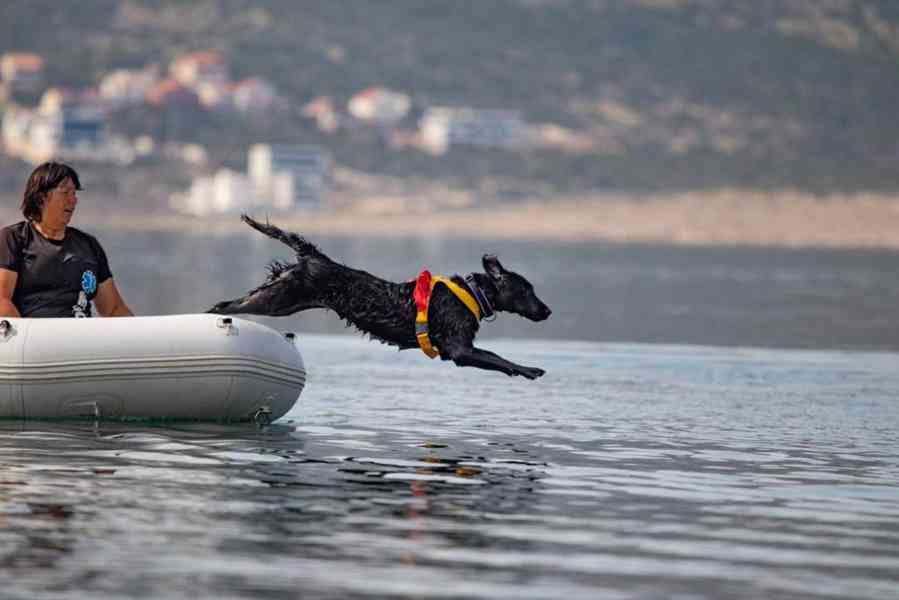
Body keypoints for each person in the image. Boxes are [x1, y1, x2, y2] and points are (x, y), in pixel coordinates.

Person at [0, 162, 133, 318]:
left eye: (74, 193)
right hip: (33, 336)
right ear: (41, 197)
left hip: (81, 337)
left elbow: (113, 309)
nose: (73, 200)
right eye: (65, 193)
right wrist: (28, 338)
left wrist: (141, 337)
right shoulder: (13, 239)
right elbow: (2, 301)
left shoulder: (88, 245)